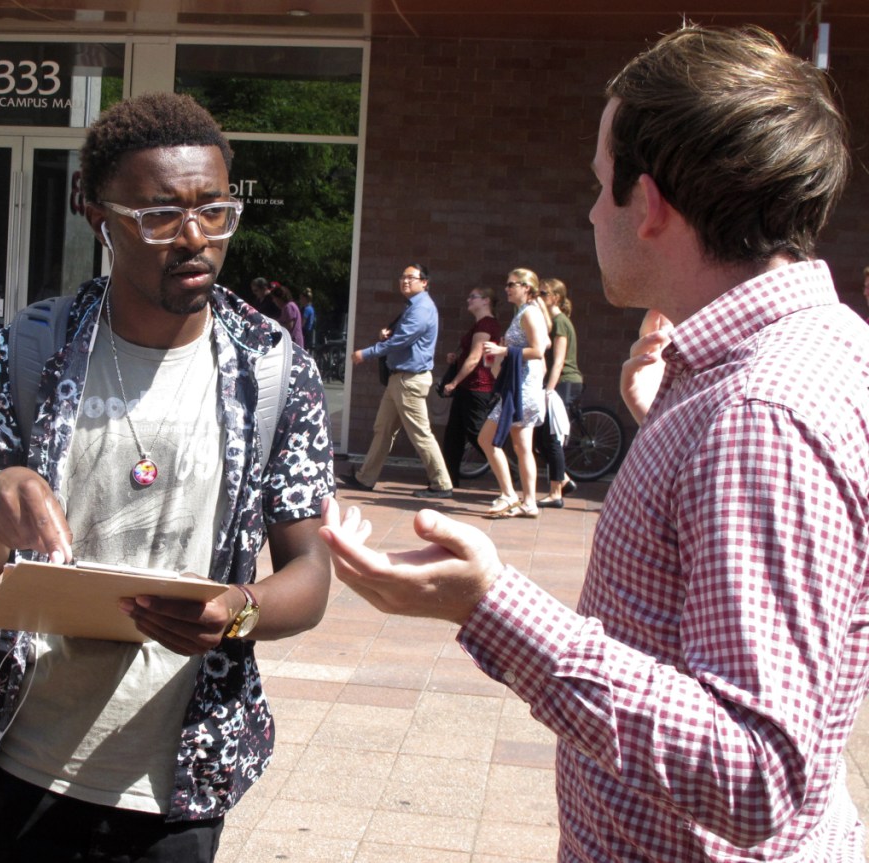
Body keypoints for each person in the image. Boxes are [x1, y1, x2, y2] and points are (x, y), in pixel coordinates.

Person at [320, 24, 869, 863]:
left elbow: (760, 775)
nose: (587, 211)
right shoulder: (804, 356)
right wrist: (666, 422)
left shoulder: (758, 411)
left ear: (648, 205)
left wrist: (490, 603)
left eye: (597, 184)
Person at [0, 91, 334, 863]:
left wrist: (241, 610)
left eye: (214, 211)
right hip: (23, 773)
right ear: (97, 213)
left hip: (176, 789)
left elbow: (311, 572)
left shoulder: (273, 366)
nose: (195, 239)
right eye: (159, 216)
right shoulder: (32, 351)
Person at [341, 263, 454, 499]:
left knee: (420, 433)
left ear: (424, 282)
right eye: (402, 277)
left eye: (411, 278)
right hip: (399, 380)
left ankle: (441, 483)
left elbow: (402, 341)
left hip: (409, 381)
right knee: (382, 430)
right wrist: (388, 334)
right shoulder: (414, 307)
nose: (404, 281)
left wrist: (367, 353)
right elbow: (403, 337)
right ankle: (365, 478)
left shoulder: (421, 308)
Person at [475, 269, 550, 518]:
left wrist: (503, 350)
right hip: (525, 388)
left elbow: (539, 350)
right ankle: (529, 503)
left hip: (522, 391)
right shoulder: (527, 313)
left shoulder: (529, 313)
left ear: (526, 287)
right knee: (522, 447)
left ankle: (508, 494)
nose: (507, 289)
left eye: (511, 284)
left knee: (486, 439)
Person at [440, 286, 502, 488]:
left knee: (478, 436)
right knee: (453, 436)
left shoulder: (486, 325)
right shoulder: (483, 325)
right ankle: (449, 480)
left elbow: (476, 358)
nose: (468, 300)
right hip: (471, 387)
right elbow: (486, 358)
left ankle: (510, 474)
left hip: (476, 388)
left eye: (473, 297)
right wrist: (457, 358)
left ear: (486, 301)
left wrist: (453, 382)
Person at [535, 278, 583, 508]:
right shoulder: (551, 322)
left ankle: (556, 493)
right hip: (556, 383)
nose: (539, 297)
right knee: (540, 437)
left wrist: (549, 390)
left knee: (551, 437)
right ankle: (563, 480)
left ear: (555, 297)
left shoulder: (560, 322)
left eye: (543, 293)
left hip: (563, 382)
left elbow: (559, 361)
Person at [270, 282, 304, 347]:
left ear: (280, 298)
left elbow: (289, 326)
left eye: (274, 298)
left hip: (293, 342)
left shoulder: (289, 307)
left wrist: (276, 324)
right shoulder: (288, 306)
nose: (273, 301)